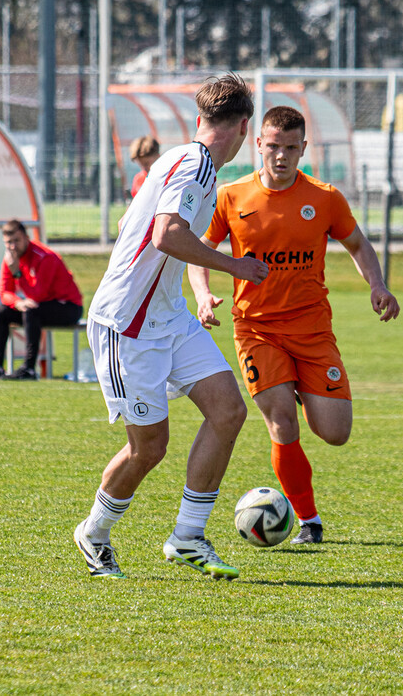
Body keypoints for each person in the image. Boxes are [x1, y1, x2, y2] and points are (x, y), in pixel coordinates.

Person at [73, 73, 269, 580]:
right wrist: (235, 266)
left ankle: (187, 537)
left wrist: (192, 291)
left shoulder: (179, 157)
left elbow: (135, 225)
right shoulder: (197, 166)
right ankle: (93, 532)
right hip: (128, 324)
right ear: (245, 126)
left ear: (200, 118)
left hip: (167, 315)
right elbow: (166, 234)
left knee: (228, 411)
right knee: (149, 448)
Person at [189, 105, 400, 545]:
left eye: (290, 148)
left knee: (335, 433)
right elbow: (201, 250)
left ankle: (301, 386)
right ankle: (309, 521)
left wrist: (377, 285)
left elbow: (358, 245)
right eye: (273, 146)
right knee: (281, 423)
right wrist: (203, 294)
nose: (280, 156)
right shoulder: (231, 197)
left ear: (303, 148)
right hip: (257, 330)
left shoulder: (324, 198)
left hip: (312, 332)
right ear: (258, 144)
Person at [0, 220, 84, 381]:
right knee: (1, 312)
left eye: (17, 241)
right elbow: (4, 292)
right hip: (39, 306)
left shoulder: (45, 257)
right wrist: (17, 303)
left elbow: (38, 295)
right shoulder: (10, 258)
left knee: (31, 311)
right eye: (8, 242)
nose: (13, 246)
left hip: (68, 307)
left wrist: (17, 274)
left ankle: (29, 369)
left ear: (26, 238)